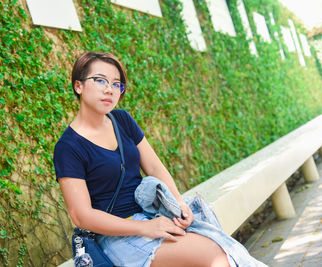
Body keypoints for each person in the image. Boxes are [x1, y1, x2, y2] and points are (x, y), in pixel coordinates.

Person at [53, 51, 231, 266]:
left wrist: (180, 203)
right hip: (118, 236)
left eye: (116, 84)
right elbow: (82, 216)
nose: (109, 89)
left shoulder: (122, 120)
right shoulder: (68, 147)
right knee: (214, 255)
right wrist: (145, 228)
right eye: (100, 80)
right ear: (78, 86)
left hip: (154, 217)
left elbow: (155, 168)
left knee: (225, 251)